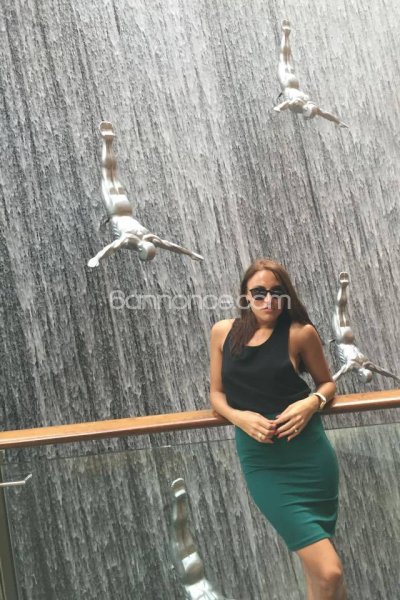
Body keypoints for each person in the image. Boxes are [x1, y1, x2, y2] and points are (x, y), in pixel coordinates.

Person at [209, 258, 347, 600]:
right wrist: (239, 418)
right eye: (258, 293)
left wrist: (310, 403)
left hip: (310, 456)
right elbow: (216, 394)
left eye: (276, 292)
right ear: (245, 296)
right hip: (263, 463)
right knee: (329, 571)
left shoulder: (301, 333)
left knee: (320, 573)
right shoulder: (222, 332)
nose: (268, 300)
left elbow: (327, 384)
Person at [274, 20, 348, 128]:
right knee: (284, 58)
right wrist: (279, 108)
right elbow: (287, 104)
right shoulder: (298, 106)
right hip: (287, 83)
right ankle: (285, 34)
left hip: (294, 83)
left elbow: (326, 114)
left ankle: (286, 35)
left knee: (287, 59)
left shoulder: (311, 105)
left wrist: (338, 122)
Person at [331, 271, 400, 384]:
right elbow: (336, 376)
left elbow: (382, 371)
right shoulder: (352, 364)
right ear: (360, 375)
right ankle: (343, 286)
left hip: (349, 337)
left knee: (341, 309)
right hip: (341, 338)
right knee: (338, 309)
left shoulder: (367, 363)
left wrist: (396, 377)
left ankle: (344, 287)